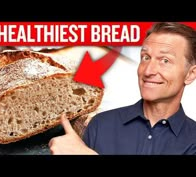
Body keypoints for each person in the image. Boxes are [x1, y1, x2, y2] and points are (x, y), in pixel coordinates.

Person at [48, 22, 196, 155]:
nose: (148, 71)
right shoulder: (100, 124)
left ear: (190, 74)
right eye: (146, 57)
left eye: (165, 60)